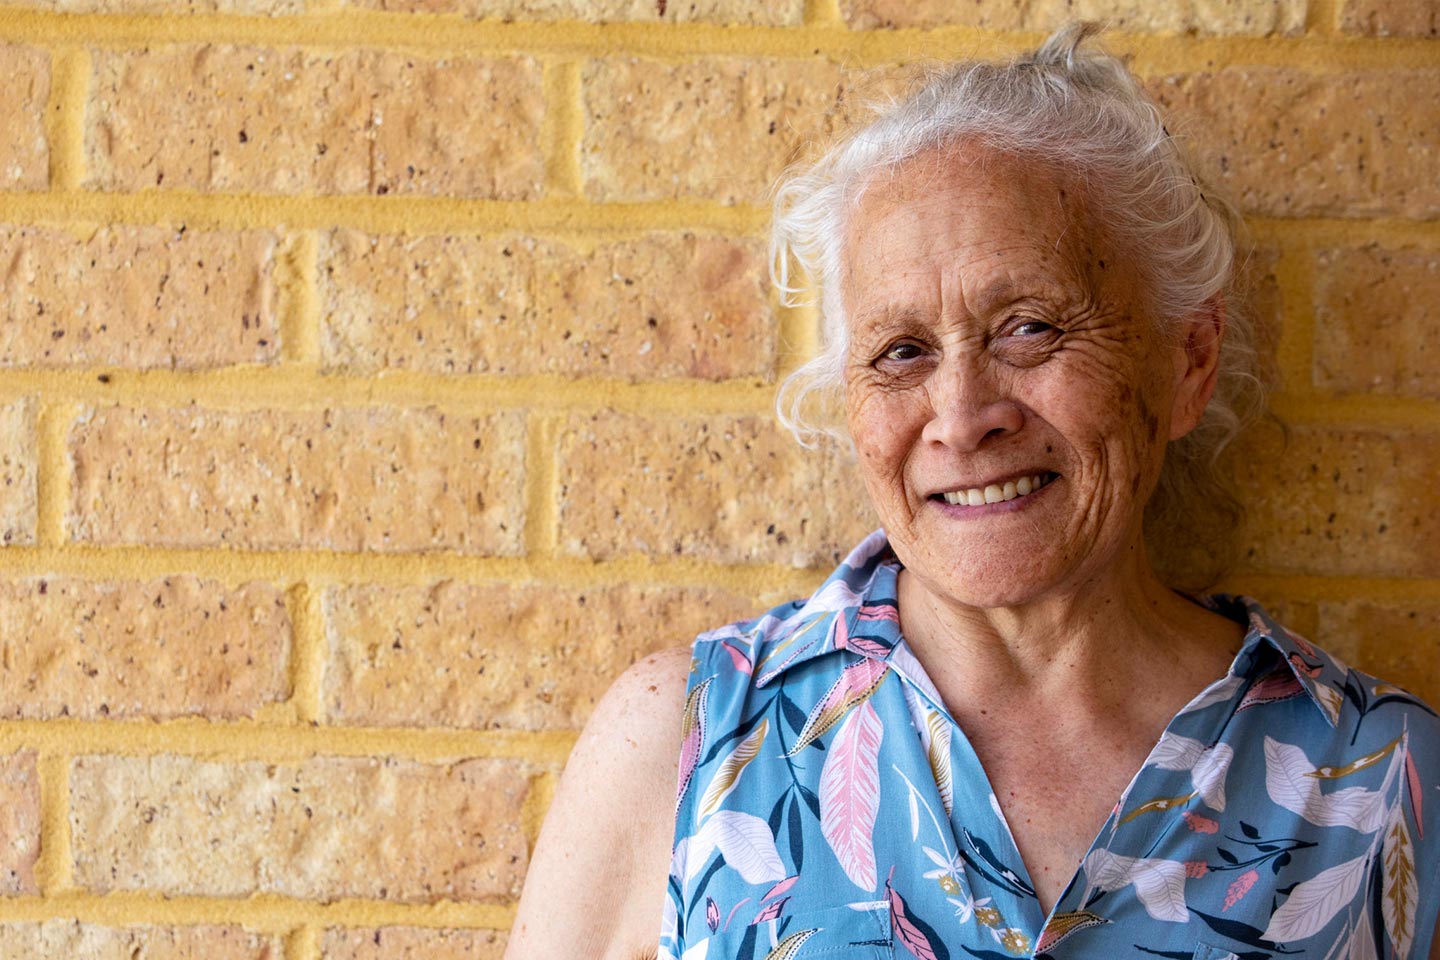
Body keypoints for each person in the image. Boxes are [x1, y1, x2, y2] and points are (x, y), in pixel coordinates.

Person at [506, 24, 1440, 960]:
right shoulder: (683, 745)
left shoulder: (1388, 780)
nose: (961, 416)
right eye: (902, 352)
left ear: (1187, 361)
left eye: (1029, 328)